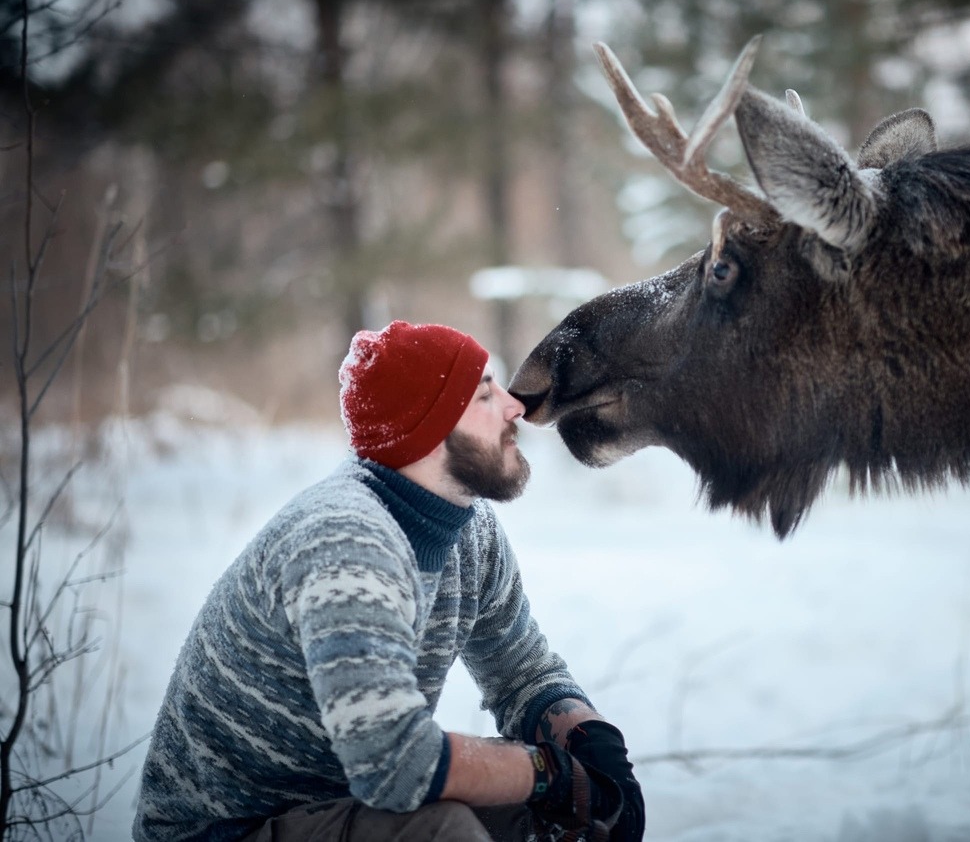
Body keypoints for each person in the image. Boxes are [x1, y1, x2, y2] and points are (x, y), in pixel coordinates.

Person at [133, 321, 644, 842]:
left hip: (344, 807)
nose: (515, 406)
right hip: (225, 832)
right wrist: (547, 774)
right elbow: (395, 764)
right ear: (426, 428)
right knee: (445, 832)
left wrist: (593, 743)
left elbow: (521, 675)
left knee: (565, 824)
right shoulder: (344, 542)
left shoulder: (469, 530)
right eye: (484, 396)